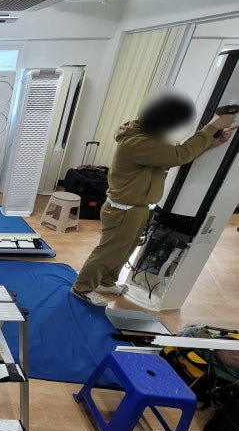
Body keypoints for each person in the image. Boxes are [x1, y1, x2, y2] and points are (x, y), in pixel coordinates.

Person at [71, 90, 237, 307]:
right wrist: (212, 126)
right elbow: (179, 155)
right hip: (124, 210)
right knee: (109, 252)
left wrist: (208, 143)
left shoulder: (147, 134)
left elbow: (174, 154)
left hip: (136, 208)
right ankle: (82, 288)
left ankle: (106, 282)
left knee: (126, 249)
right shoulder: (136, 143)